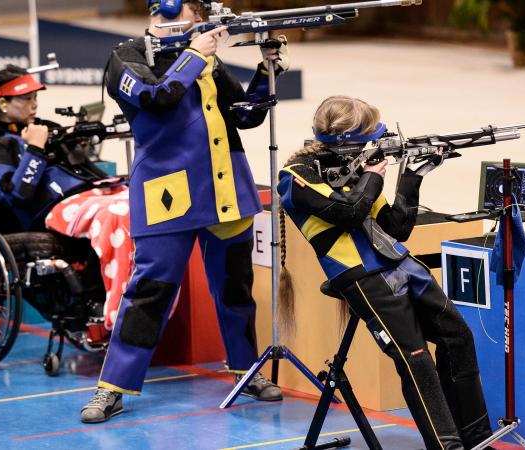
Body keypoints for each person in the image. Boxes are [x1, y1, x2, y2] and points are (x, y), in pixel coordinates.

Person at [80, 0, 288, 423]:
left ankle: (246, 371)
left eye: (186, 15)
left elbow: (243, 117)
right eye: (171, 15)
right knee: (148, 293)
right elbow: (158, 97)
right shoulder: (126, 57)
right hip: (165, 196)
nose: (175, 22)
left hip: (225, 191)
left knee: (235, 291)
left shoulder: (203, 58)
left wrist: (268, 72)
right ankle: (113, 386)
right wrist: (196, 53)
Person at [276, 96, 494, 450]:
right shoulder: (297, 176)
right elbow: (347, 212)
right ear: (348, 142)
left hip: (400, 264)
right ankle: (447, 446)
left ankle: (479, 439)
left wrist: (412, 176)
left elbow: (396, 228)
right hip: (360, 276)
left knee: (458, 338)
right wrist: (373, 176)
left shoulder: (358, 170)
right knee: (416, 360)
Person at [0, 65, 133, 330]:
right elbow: (18, 195)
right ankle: (105, 302)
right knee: (114, 213)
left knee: (132, 199)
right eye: (26, 98)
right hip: (49, 215)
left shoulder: (45, 128)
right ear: (2, 103)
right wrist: (34, 149)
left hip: (87, 197)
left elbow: (84, 172)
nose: (33, 104)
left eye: (35, 97)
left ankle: (133, 297)